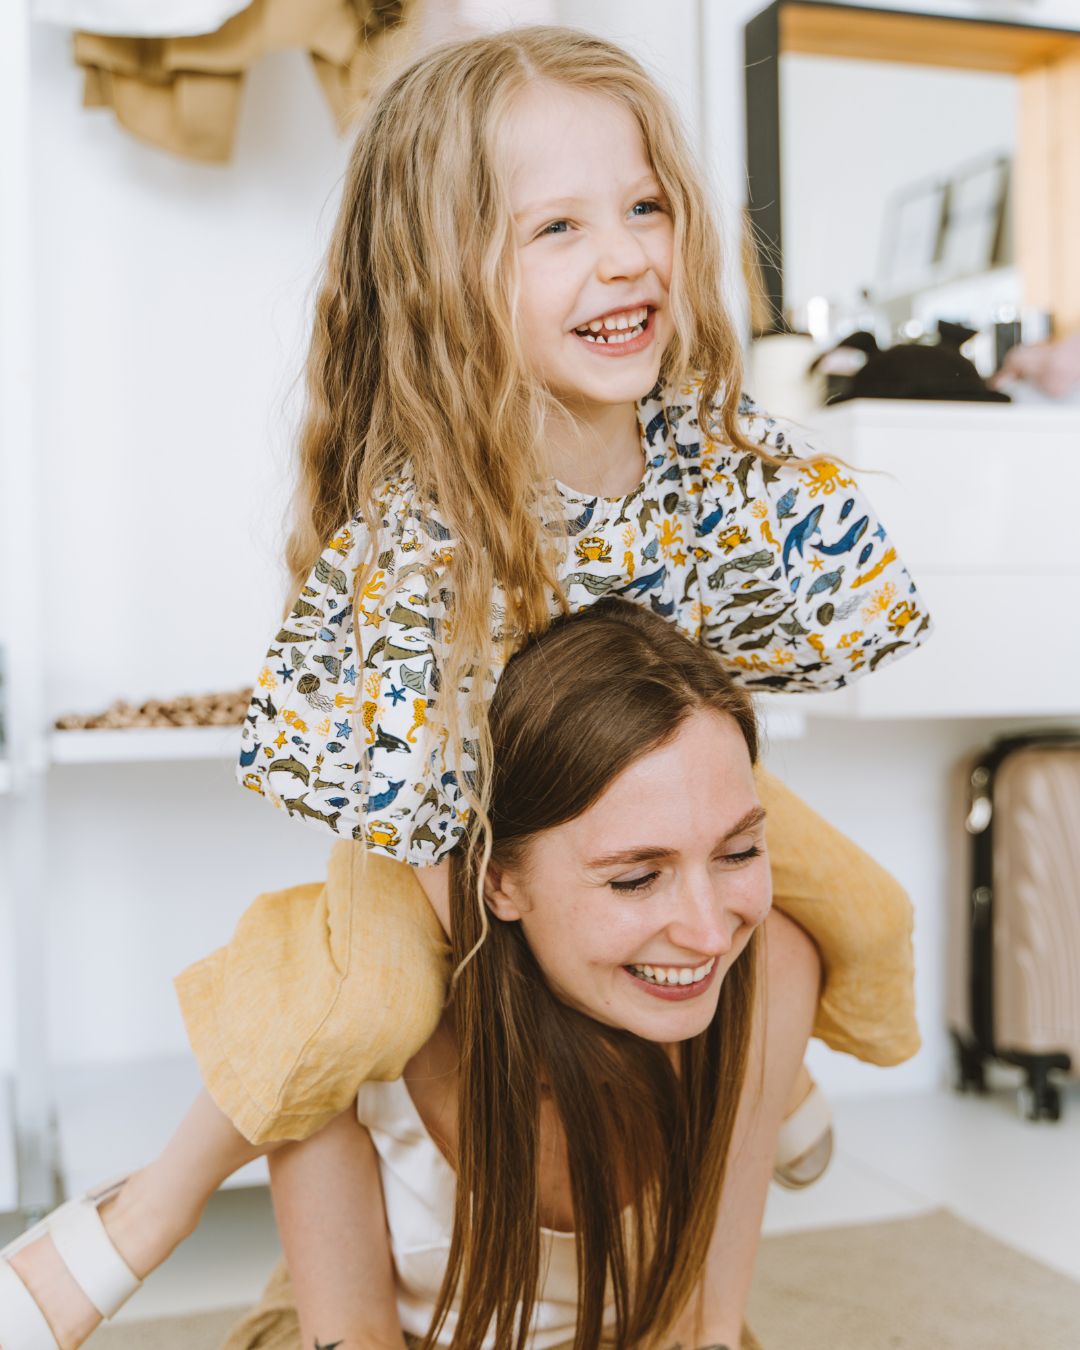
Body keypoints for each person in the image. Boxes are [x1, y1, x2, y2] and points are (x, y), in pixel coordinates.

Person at [0, 25, 928, 1348]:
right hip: (452, 811)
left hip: (646, 798)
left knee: (862, 916)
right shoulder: (427, 518)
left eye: (645, 206)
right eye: (558, 227)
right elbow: (406, 793)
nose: (626, 255)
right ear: (450, 274)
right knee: (362, 996)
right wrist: (478, 888)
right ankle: (148, 1206)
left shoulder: (706, 454)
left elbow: (775, 645)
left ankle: (766, 1078)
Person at [226, 600, 819, 1349]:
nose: (708, 932)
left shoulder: (772, 974)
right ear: (499, 881)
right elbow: (349, 1333)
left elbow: (703, 1328)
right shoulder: (339, 1004)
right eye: (637, 878)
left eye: (737, 854)